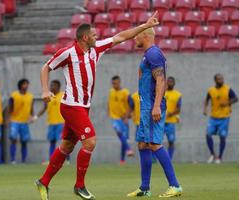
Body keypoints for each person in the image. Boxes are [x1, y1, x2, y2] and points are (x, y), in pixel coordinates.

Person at [35, 11, 160, 200]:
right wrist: (45, 90)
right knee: (90, 141)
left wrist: (145, 25)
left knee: (67, 146)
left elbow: (121, 36)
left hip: (83, 106)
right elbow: (46, 67)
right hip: (71, 105)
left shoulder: (96, 49)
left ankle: (43, 182)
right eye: (93, 35)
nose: (97, 37)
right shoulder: (68, 52)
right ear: (85, 37)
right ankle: (79, 186)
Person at [127, 28, 182, 198]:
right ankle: (145, 188)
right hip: (146, 106)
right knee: (143, 144)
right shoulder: (148, 54)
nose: (134, 37)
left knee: (154, 143)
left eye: (137, 34)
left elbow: (161, 79)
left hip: (152, 106)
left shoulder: (153, 54)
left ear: (145, 35)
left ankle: (175, 185)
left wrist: (156, 105)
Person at [203, 73, 238, 164]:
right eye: (219, 79)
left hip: (224, 117)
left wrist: (227, 103)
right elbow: (207, 99)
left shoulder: (228, 89)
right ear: (215, 80)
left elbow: (235, 98)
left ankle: (220, 157)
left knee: (222, 136)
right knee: (208, 134)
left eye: (222, 78)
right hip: (213, 117)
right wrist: (205, 109)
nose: (221, 80)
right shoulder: (211, 90)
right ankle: (212, 154)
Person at [37, 80, 67, 163]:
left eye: (53, 85)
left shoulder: (63, 95)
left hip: (61, 122)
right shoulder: (48, 96)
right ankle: (52, 160)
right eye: (51, 85)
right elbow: (44, 108)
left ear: (58, 86)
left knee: (64, 142)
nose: (51, 87)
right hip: (51, 122)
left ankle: (66, 160)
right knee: (52, 141)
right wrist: (36, 117)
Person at [108, 75, 134, 165]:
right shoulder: (111, 91)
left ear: (119, 82)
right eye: (113, 83)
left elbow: (132, 104)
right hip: (115, 118)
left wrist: (127, 116)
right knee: (118, 132)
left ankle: (122, 160)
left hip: (124, 119)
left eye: (115, 83)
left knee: (124, 139)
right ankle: (129, 149)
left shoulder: (125, 93)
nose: (114, 85)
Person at [8, 79, 34, 164]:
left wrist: (32, 117)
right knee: (13, 139)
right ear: (20, 85)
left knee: (24, 141)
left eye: (27, 84)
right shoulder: (14, 95)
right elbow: (10, 107)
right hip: (15, 121)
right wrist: (8, 118)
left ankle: (23, 160)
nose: (26, 86)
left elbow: (31, 108)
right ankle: (13, 160)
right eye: (25, 84)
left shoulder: (30, 96)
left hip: (25, 122)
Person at [164, 76, 182, 160]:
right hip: (160, 121)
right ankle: (154, 159)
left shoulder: (178, 95)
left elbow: (178, 108)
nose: (170, 83)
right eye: (168, 81)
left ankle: (169, 159)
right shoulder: (161, 92)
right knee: (155, 141)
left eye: (171, 82)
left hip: (171, 122)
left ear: (174, 83)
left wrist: (172, 113)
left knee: (171, 141)